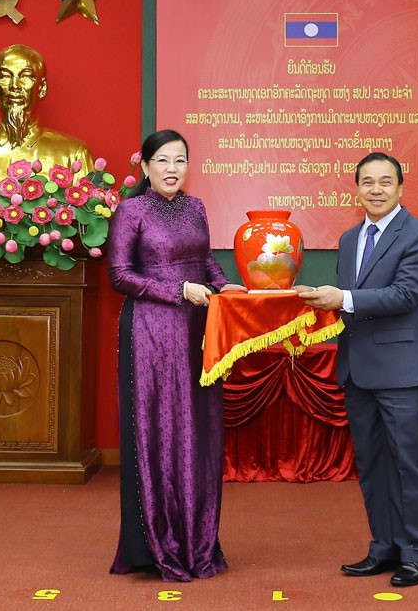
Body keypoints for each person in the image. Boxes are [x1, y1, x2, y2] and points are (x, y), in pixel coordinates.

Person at [298, 152, 418, 587]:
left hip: (401, 371)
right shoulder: (347, 238)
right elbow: (346, 304)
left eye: (385, 182)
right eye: (367, 182)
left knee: (407, 464)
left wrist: (339, 298)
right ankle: (384, 548)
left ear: (400, 187)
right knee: (373, 464)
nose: (375, 190)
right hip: (356, 371)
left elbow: (405, 295)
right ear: (355, 189)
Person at [107, 129, 244, 582]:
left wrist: (227, 286)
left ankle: (198, 539)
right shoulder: (131, 210)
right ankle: (157, 543)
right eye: (162, 160)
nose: (172, 168)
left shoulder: (197, 207)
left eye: (180, 160)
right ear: (144, 167)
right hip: (150, 331)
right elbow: (120, 275)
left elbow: (205, 262)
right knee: (160, 430)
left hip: (199, 330)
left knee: (198, 433)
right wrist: (175, 290)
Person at [0, 44, 95, 177]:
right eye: (5, 76)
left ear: (42, 88)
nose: (15, 86)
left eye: (26, 76)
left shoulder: (74, 154)